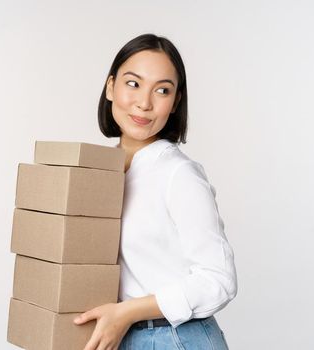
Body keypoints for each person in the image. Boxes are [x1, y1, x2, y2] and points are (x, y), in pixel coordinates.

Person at [72, 34, 238, 350]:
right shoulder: (100, 173)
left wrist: (127, 312)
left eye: (162, 90)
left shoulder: (178, 173)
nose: (144, 103)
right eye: (133, 84)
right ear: (110, 87)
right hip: (121, 336)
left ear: (175, 103)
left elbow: (219, 280)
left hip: (174, 339)